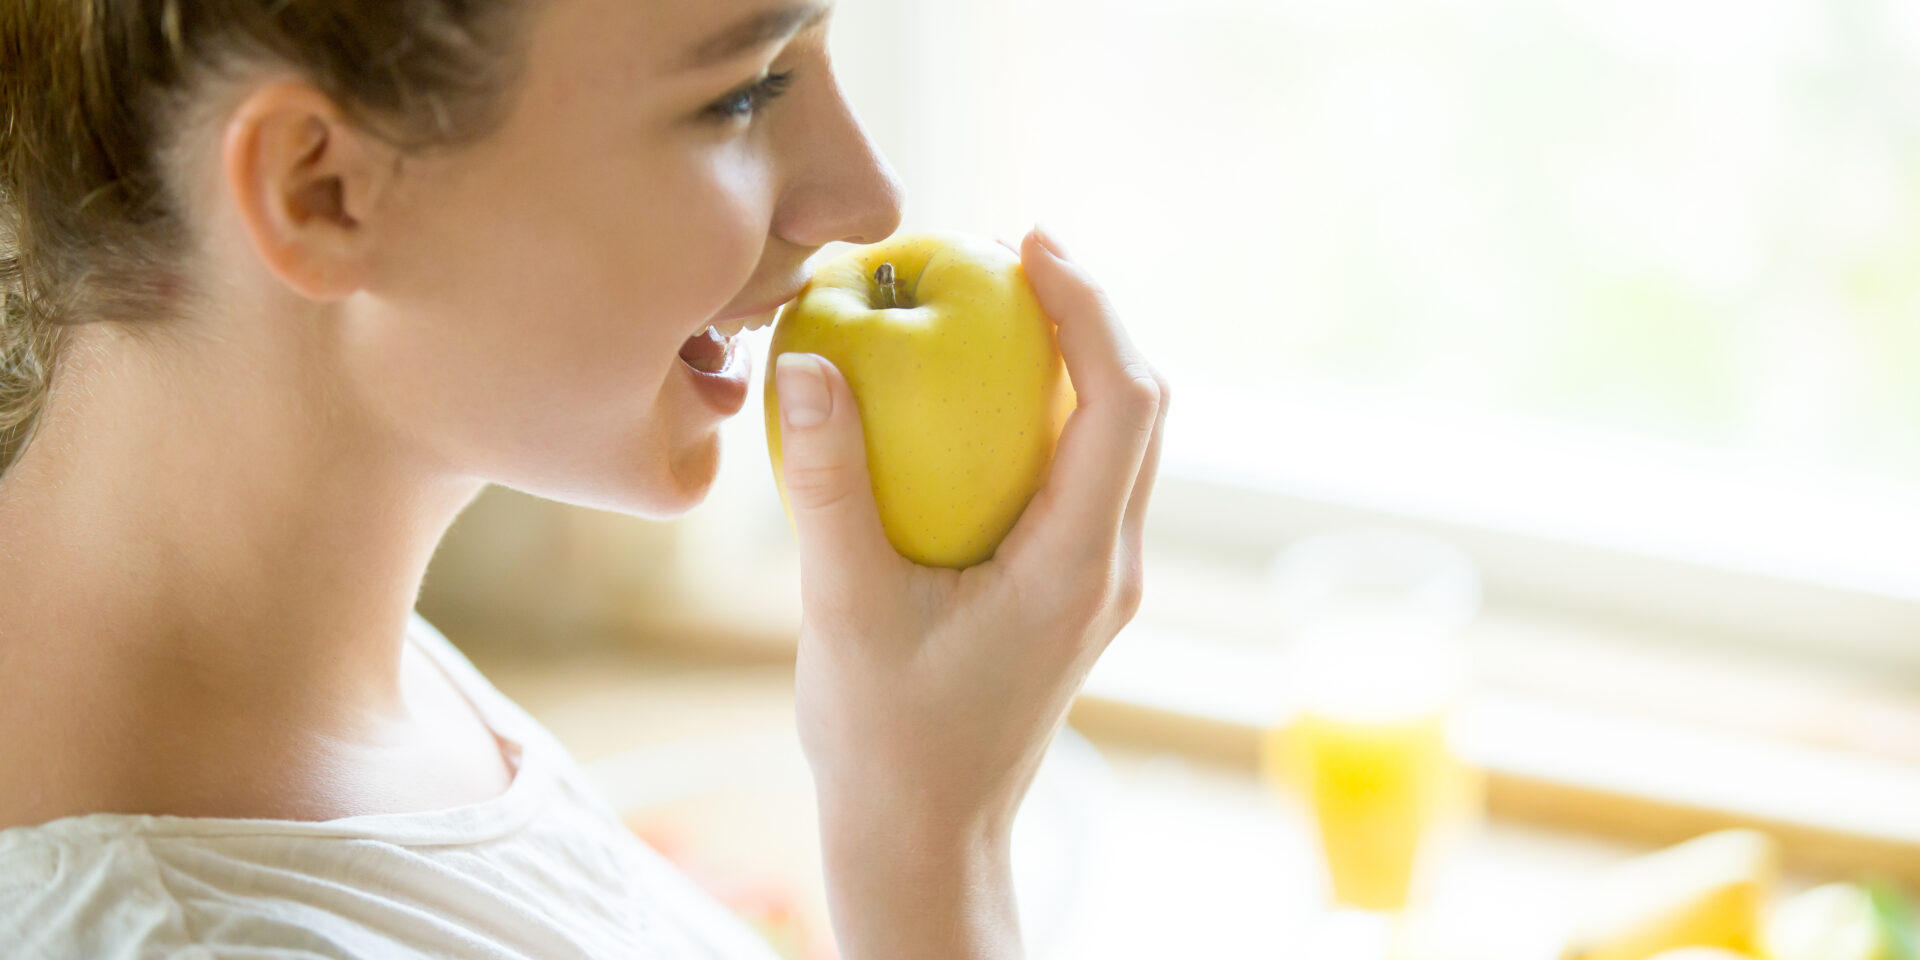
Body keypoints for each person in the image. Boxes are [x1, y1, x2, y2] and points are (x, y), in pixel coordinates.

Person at [0, 0, 1169, 957]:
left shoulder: (298, 660)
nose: (867, 202)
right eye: (741, 93)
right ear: (325, 189)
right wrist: (930, 852)